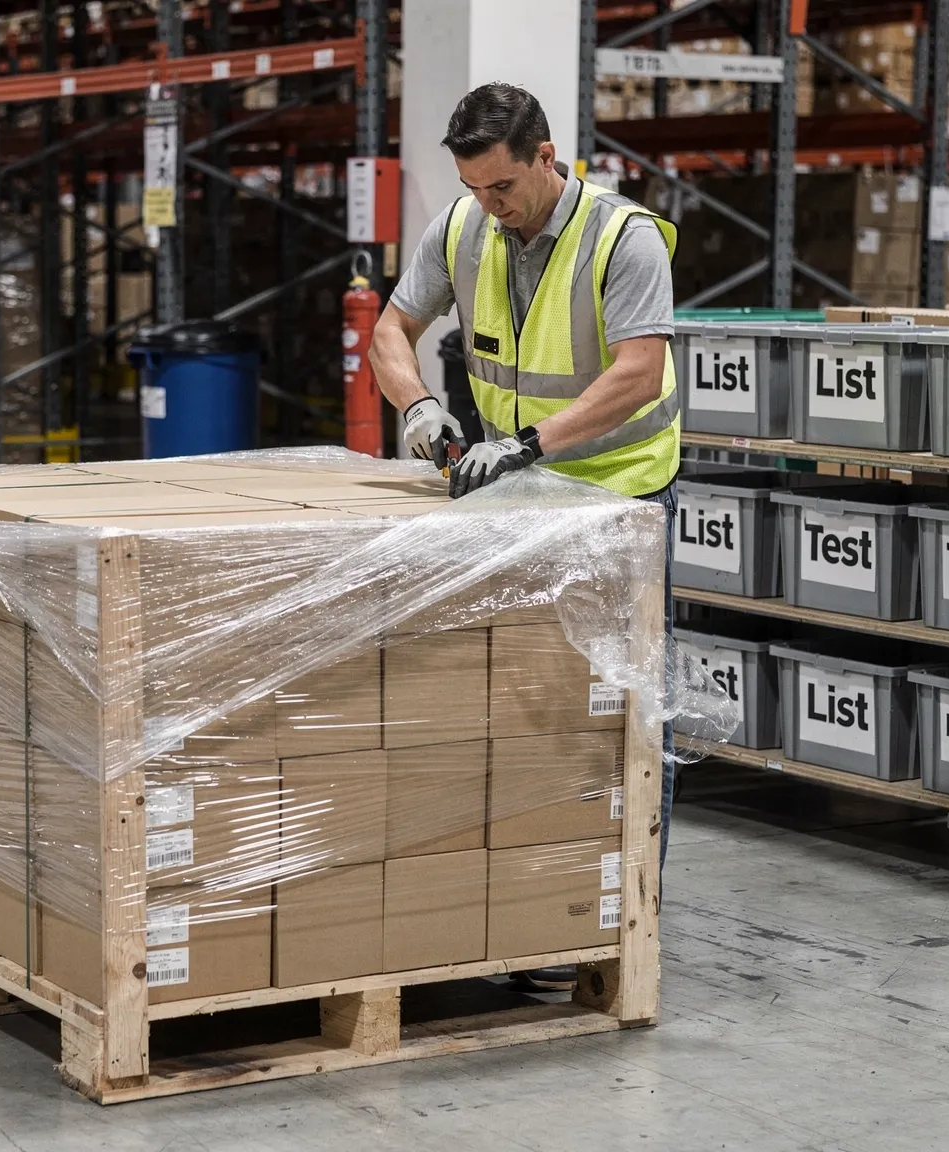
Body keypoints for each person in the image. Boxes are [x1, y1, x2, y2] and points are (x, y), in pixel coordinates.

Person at [367, 82, 680, 993]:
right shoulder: (464, 228)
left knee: (624, 713)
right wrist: (420, 406)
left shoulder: (624, 240)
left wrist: (533, 444)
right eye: (473, 187)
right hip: (520, 496)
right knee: (529, 708)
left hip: (618, 498)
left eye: (501, 187)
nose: (487, 206)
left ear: (548, 158)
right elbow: (391, 329)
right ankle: (533, 912)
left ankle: (621, 920)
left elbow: (639, 371)